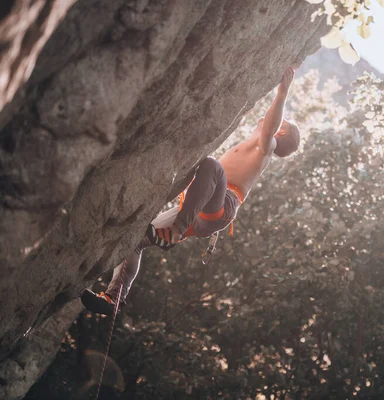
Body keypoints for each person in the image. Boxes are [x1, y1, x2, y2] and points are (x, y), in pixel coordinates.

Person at [81, 67, 300, 315]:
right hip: (199, 207)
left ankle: (176, 229)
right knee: (135, 239)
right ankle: (113, 299)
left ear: (281, 131)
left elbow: (269, 129)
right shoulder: (257, 143)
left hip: (221, 204)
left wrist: (282, 94)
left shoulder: (267, 146)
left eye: (283, 121)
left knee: (211, 165)